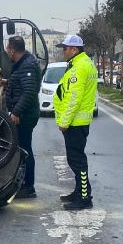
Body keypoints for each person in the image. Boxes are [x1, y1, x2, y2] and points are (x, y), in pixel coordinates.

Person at [54, 35, 98, 210]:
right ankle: (79, 191)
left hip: (75, 122)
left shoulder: (79, 67)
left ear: (74, 49)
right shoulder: (81, 63)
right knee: (75, 159)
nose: (63, 52)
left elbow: (74, 98)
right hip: (78, 121)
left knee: (77, 160)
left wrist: (64, 121)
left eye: (65, 49)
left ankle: (85, 197)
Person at [5, 36, 41, 199]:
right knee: (22, 149)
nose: (7, 53)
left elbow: (29, 92)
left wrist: (16, 112)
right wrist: (8, 82)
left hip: (25, 115)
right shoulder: (23, 64)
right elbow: (22, 85)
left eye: (8, 49)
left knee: (25, 150)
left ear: (12, 49)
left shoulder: (27, 65)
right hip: (22, 113)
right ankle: (24, 184)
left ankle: (28, 186)